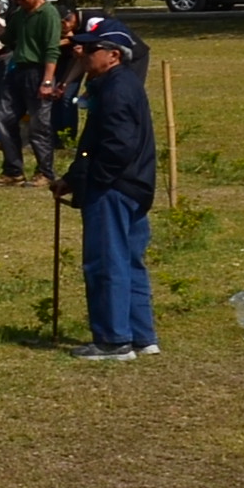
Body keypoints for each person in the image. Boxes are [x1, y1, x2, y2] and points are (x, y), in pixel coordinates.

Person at [58, 18, 158, 360]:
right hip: (134, 186)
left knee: (106, 261)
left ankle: (114, 340)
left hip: (114, 188)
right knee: (129, 260)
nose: (82, 53)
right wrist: (72, 178)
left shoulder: (115, 90)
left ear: (113, 55)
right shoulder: (117, 84)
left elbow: (116, 145)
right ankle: (142, 337)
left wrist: (93, 182)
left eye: (91, 48)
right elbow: (93, 143)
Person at [0, 0, 62, 185]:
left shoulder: (48, 14)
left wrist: (47, 81)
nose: (19, 2)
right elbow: (7, 38)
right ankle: (13, 170)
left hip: (38, 72)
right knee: (5, 119)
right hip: (17, 70)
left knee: (39, 125)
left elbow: (52, 50)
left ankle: (45, 172)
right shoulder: (19, 15)